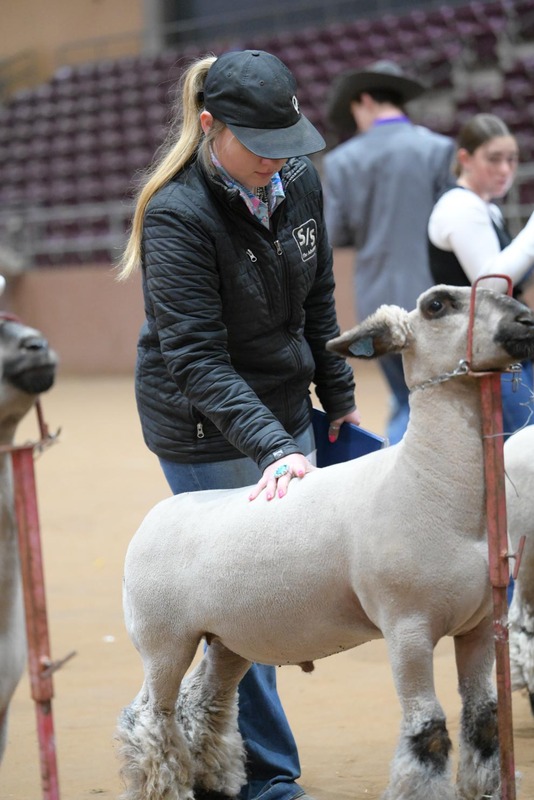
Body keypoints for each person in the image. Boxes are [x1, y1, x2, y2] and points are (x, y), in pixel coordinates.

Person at [118, 49, 360, 800]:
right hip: (207, 429)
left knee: (278, 593)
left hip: (283, 413)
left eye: (286, 143)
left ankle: (212, 749)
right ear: (209, 125)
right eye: (257, 144)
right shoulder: (177, 214)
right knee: (245, 606)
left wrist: (337, 394)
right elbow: (195, 358)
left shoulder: (299, 181)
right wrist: (273, 449)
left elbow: (318, 296)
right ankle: (263, 779)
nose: (274, 160)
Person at [322, 60, 455, 444]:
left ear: (365, 101)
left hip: (376, 300)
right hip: (434, 299)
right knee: (440, 397)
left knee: (402, 399)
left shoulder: (341, 161)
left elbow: (337, 233)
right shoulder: (438, 149)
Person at [428, 112, 534, 436]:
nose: (505, 169)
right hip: (484, 351)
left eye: (511, 159)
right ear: (465, 158)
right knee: (522, 444)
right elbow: (490, 283)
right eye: (494, 159)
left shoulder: (484, 207)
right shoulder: (460, 206)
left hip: (501, 346)